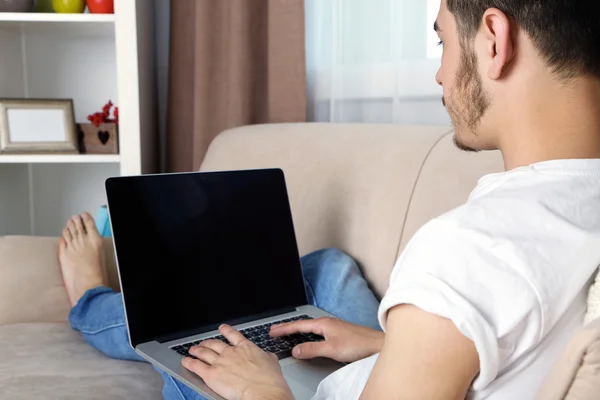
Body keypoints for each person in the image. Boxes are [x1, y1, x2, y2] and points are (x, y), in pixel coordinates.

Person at [59, 0, 600, 398]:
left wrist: (264, 392)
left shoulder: (468, 249)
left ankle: (90, 301)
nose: (439, 73)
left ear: (493, 39)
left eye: (442, 41)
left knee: (193, 338)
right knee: (327, 269)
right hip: (400, 362)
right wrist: (381, 343)